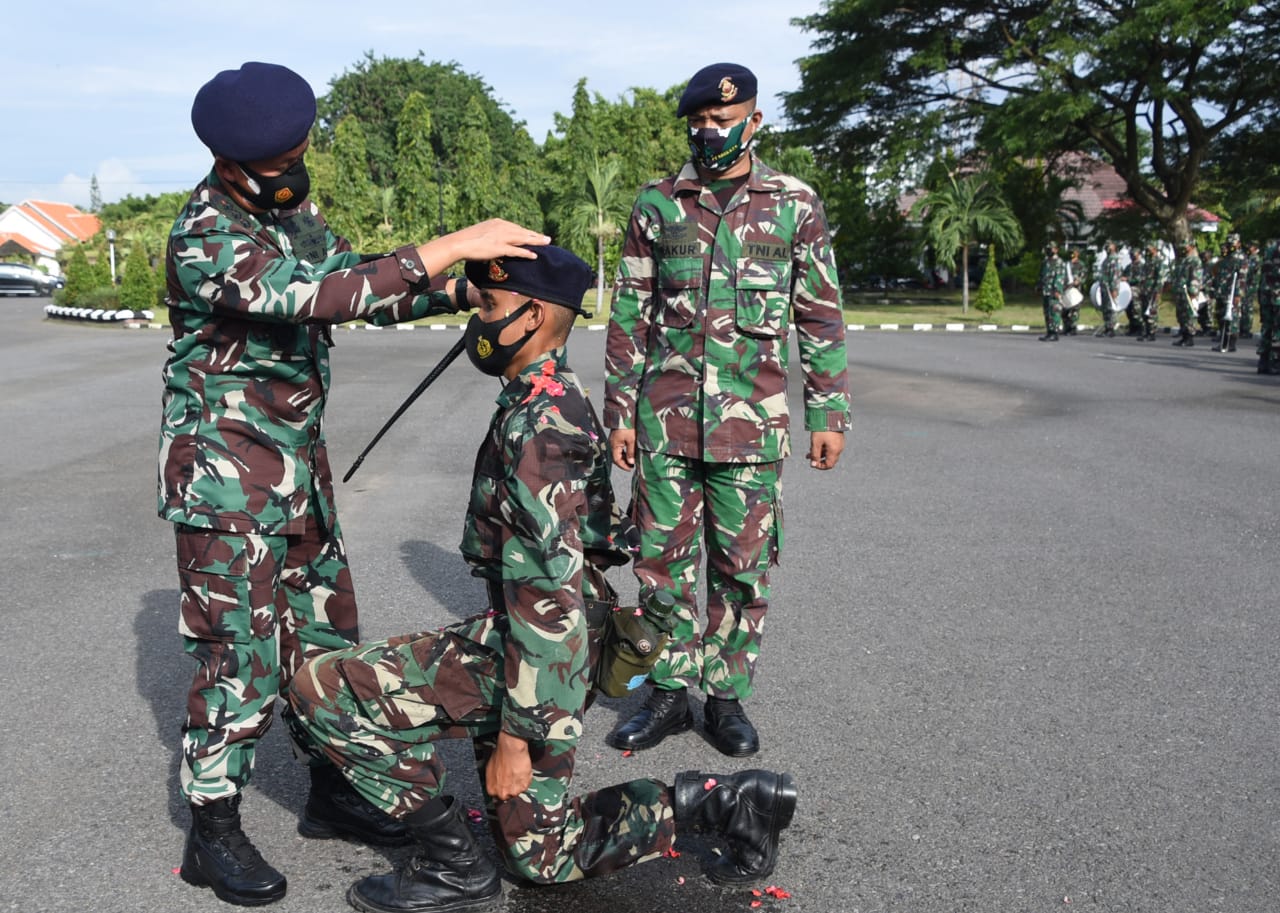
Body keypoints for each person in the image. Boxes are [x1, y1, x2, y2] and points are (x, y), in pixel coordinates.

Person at [288, 245, 798, 913]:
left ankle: (450, 862)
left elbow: (545, 599)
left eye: (490, 306)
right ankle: (728, 803)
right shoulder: (556, 391)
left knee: (318, 691)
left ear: (529, 316)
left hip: (542, 651)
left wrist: (514, 738)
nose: (477, 319)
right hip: (557, 648)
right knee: (541, 858)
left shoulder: (538, 425)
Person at [159, 61, 550, 907]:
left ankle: (336, 790)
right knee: (237, 655)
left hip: (295, 469)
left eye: (303, 148)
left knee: (323, 634)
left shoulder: (286, 207)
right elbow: (317, 295)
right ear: (232, 163)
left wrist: (455, 286)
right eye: (285, 157)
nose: (299, 167)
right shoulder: (204, 235)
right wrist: (447, 244)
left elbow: (360, 285)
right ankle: (211, 829)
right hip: (225, 483)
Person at [602, 62, 851, 758]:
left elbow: (821, 316)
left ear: (755, 119)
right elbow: (630, 313)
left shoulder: (795, 204)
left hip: (752, 422)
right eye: (701, 121)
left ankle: (727, 696)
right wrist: (620, 410)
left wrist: (829, 412)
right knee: (660, 562)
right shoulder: (658, 204)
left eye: (724, 118)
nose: (711, 130)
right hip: (664, 420)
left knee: (743, 567)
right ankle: (669, 691)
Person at [1212, 233, 1249, 353]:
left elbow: (1241, 278)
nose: (1229, 246)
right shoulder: (1227, 257)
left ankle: (1230, 343)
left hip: (1233, 292)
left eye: (1232, 243)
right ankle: (1223, 342)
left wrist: (1238, 294)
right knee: (1222, 317)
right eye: (1228, 243)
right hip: (1223, 292)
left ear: (1238, 244)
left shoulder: (1241, 258)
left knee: (1233, 319)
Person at [1171, 239, 1204, 347]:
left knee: (1189, 314)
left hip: (1188, 292)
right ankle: (1184, 335)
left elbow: (1196, 277)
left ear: (1191, 246)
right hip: (1180, 291)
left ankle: (1189, 337)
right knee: (1181, 314)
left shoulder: (1195, 261)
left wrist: (1193, 291)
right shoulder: (1183, 260)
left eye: (1185, 246)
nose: (1183, 248)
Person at [1134, 241, 1168, 342]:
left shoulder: (1158, 262)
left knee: (1152, 311)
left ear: (1155, 249)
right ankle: (1146, 331)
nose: (1147, 251)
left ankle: (1152, 333)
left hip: (1153, 290)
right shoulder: (1148, 262)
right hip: (1145, 290)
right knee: (1144, 311)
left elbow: (1160, 278)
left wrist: (1157, 291)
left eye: (1149, 249)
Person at [1037, 240, 1067, 341]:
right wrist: (1039, 285)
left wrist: (1057, 289)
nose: (1049, 250)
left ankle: (1055, 332)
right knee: (1047, 312)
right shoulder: (1045, 262)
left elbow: (1060, 277)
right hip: (1046, 291)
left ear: (1056, 250)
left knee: (1055, 311)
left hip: (1054, 291)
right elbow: (1042, 275)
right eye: (1048, 248)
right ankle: (1049, 331)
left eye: (1051, 248)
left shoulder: (1059, 262)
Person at [1094, 240, 1124, 337]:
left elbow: (1115, 275)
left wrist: (1114, 289)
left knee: (1111, 308)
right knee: (1105, 308)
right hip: (1104, 287)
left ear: (1114, 246)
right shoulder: (1106, 259)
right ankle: (1107, 327)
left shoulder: (1115, 259)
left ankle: (1111, 329)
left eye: (1109, 245)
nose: (1107, 247)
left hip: (1111, 287)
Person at [1062, 247, 1086, 335]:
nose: (1072, 254)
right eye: (1071, 252)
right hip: (1066, 290)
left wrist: (1078, 281)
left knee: (1074, 311)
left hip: (1076, 290)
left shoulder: (1080, 264)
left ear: (1077, 253)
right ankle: (1066, 327)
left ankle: (1073, 328)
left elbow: (1083, 276)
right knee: (1064, 310)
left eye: (1074, 252)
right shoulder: (1066, 264)